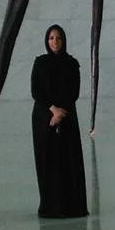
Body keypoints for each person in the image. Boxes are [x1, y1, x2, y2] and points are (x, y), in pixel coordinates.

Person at [29, 24, 88, 218]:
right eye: (51, 38)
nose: (55, 42)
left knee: (68, 160)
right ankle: (50, 206)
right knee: (48, 161)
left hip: (67, 116)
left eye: (58, 38)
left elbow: (74, 92)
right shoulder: (40, 63)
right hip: (44, 118)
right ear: (47, 41)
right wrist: (53, 110)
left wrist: (61, 113)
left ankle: (72, 206)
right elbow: (36, 91)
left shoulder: (71, 63)